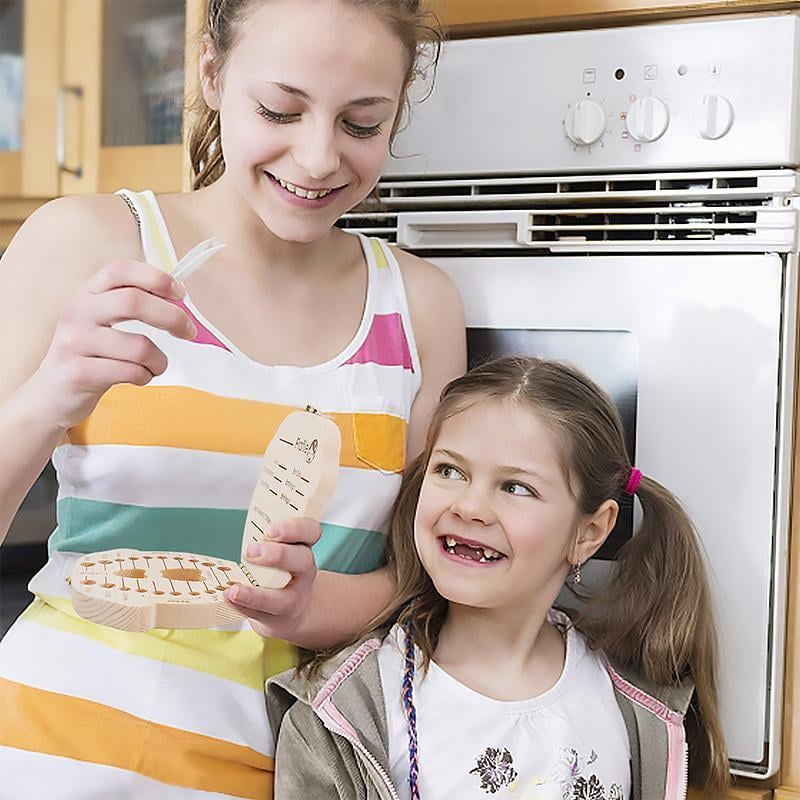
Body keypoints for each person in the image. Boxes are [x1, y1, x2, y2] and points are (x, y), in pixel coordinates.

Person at [0, 0, 465, 797]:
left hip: (295, 769)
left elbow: (428, 579)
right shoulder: (83, 242)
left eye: (361, 124)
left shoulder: (419, 305)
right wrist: (50, 396)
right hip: (53, 754)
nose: (318, 158)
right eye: (279, 110)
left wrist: (319, 607)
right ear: (211, 73)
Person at [266, 356, 730, 799]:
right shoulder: (340, 711)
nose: (468, 507)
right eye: (450, 470)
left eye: (515, 487)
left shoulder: (636, 701)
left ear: (588, 533)